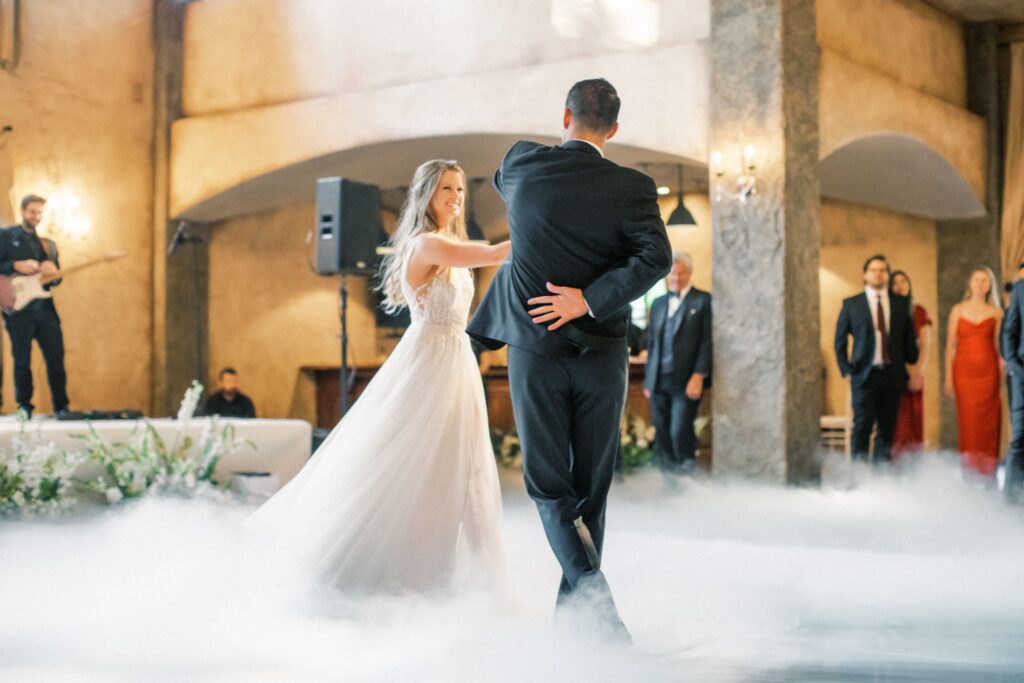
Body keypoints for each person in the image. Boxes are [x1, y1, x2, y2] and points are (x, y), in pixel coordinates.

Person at [468, 78, 671, 642]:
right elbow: (658, 258)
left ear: (565, 115)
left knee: (548, 486)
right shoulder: (634, 186)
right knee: (591, 489)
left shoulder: (521, 165)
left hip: (535, 352)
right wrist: (590, 298)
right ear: (614, 129)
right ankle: (587, 611)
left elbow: (511, 188)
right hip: (603, 354)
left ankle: (589, 605)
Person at [247, 160, 510, 592]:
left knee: (458, 465)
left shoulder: (446, 242)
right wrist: (543, 226)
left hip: (457, 360)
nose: (456, 197)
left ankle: (454, 574)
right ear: (426, 194)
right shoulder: (426, 244)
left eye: (460, 189)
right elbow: (494, 254)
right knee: (410, 460)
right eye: (447, 188)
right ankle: (393, 569)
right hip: (429, 362)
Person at [834, 254, 918, 463]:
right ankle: (859, 480)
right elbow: (840, 340)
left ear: (887, 275)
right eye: (873, 270)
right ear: (865, 274)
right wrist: (846, 369)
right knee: (862, 426)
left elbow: (908, 337)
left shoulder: (900, 303)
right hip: (863, 375)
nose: (878, 274)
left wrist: (912, 361)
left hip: (892, 375)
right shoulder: (852, 304)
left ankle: (881, 481)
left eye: (882, 270)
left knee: (886, 430)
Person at [642, 251, 711, 475]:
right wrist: (648, 381)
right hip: (658, 379)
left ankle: (686, 476)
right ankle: (669, 480)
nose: (675, 279)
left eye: (680, 274)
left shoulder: (703, 301)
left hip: (686, 380)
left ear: (688, 273)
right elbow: (652, 343)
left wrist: (699, 375)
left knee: (679, 430)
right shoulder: (659, 303)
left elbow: (706, 341)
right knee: (661, 431)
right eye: (671, 275)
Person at [0, 195, 69, 417]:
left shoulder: (48, 246)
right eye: (32, 212)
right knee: (22, 360)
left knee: (56, 357)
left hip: (45, 308)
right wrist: (15, 264)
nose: (36, 217)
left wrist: (53, 272)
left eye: (39, 213)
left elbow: (56, 280)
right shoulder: (6, 236)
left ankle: (61, 407)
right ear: (23, 211)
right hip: (18, 309)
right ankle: (24, 407)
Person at [945, 267, 1003, 478]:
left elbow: (999, 348)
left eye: (985, 281)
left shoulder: (996, 312)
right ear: (970, 283)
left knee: (989, 424)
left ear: (990, 286)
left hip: (989, 374)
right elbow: (951, 346)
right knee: (968, 423)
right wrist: (948, 379)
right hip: (964, 374)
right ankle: (969, 472)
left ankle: (989, 472)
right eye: (977, 279)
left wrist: (1003, 379)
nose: (980, 284)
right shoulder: (958, 310)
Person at [890, 271, 932, 456]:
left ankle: (915, 466)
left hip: (915, 372)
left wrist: (917, 370)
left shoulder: (918, 311)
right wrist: (903, 368)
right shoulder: (886, 312)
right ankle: (896, 466)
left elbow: (925, 345)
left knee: (914, 420)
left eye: (903, 281)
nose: (900, 285)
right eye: (895, 282)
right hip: (893, 373)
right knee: (897, 422)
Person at [1003, 277, 1024, 502]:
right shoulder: (1021, 288)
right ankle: (1011, 501)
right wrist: (1013, 365)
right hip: (1022, 374)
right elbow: (1010, 330)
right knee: (1019, 437)